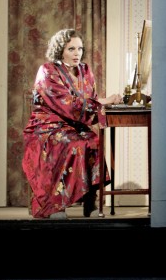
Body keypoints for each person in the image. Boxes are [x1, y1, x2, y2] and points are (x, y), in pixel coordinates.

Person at [22, 28, 122, 219]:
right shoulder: (47, 71)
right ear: (60, 50)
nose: (77, 53)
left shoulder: (85, 70)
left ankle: (91, 201)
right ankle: (55, 205)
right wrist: (105, 101)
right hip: (47, 125)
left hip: (75, 126)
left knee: (94, 142)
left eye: (80, 49)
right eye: (71, 49)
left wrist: (103, 102)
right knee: (73, 145)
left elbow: (90, 100)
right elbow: (67, 104)